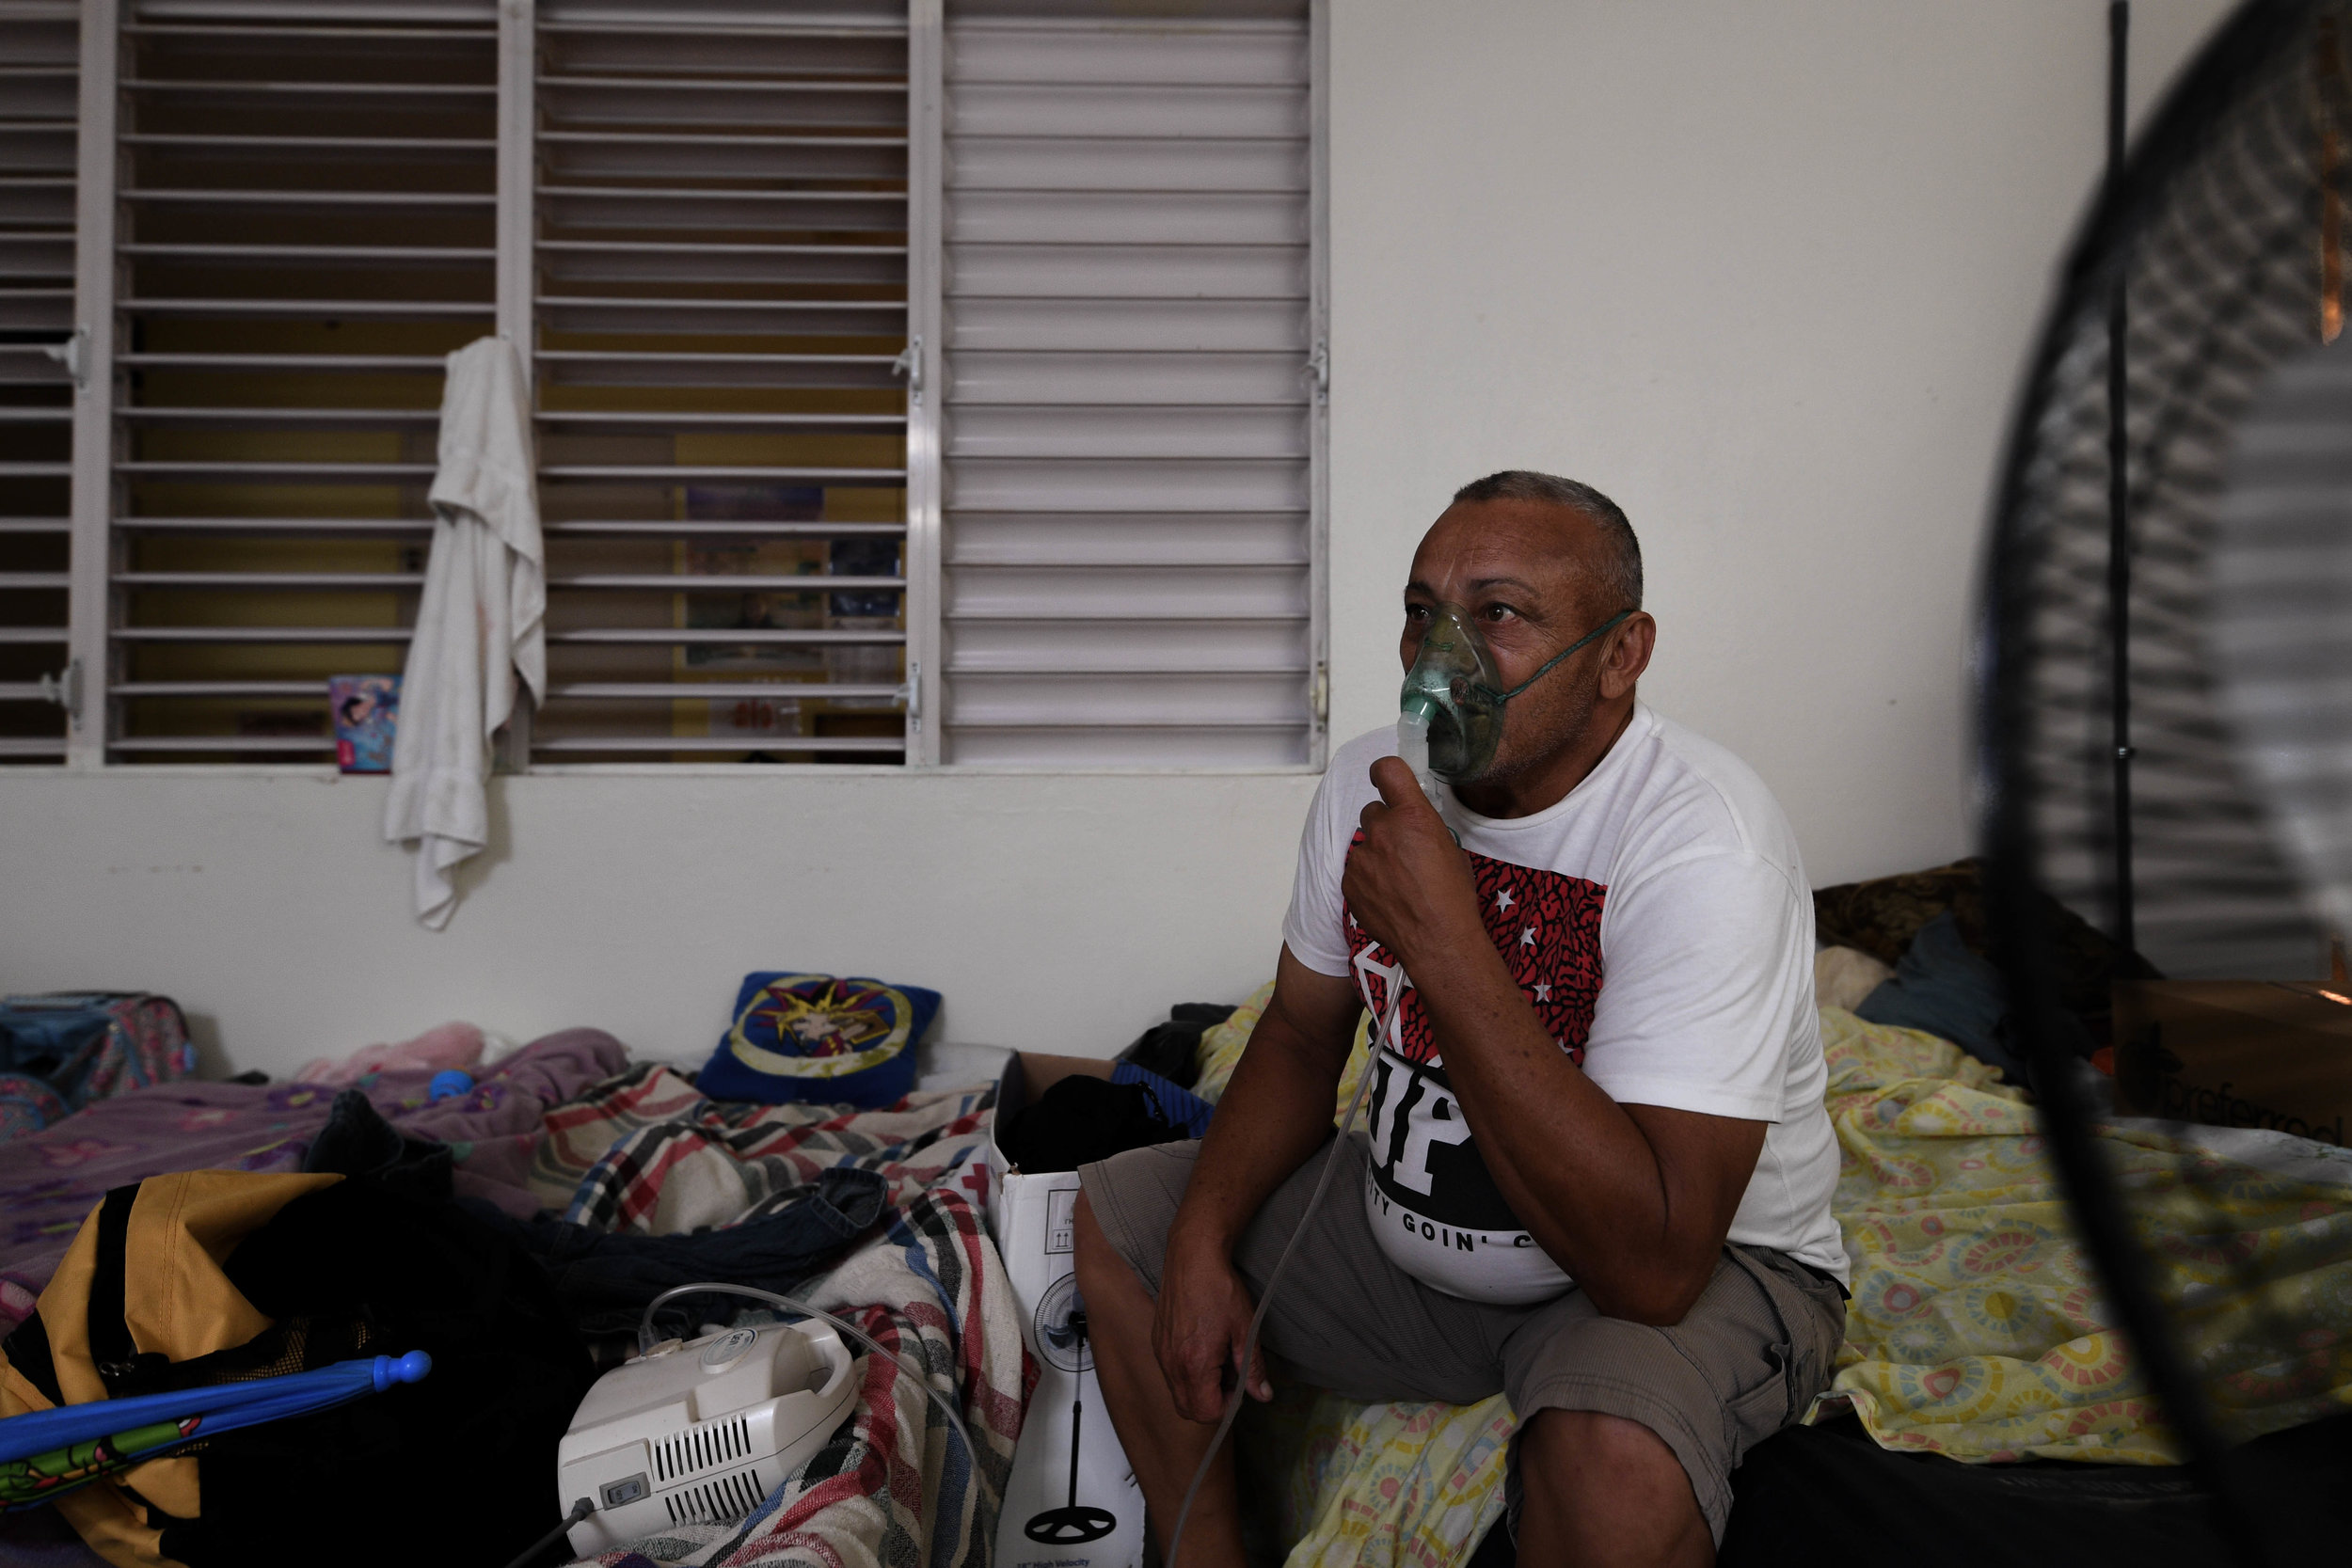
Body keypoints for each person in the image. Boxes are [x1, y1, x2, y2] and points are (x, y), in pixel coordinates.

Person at [1073, 471, 1848, 1567]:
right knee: (1121, 1220)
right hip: (1416, 1242)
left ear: (1621, 656)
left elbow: (1655, 1268)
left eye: (1498, 614)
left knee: (1612, 1452)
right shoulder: (1368, 789)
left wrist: (1443, 938)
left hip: (1664, 1269)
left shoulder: (1702, 845)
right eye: (1422, 612)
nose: (1442, 657)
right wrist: (1199, 1242)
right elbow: (1297, 1037)